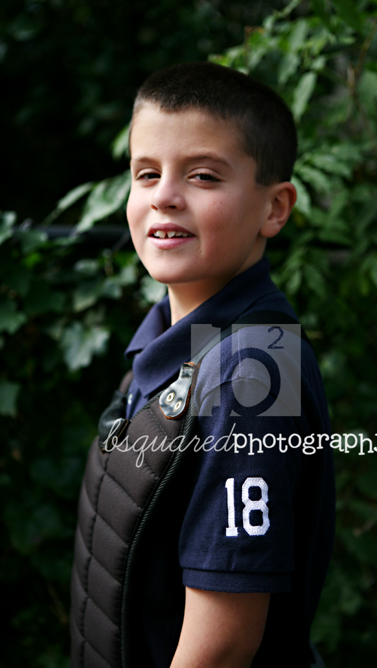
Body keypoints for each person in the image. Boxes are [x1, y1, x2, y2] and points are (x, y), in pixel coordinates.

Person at [70, 62, 334, 668]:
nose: (164, 195)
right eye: (147, 173)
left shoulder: (253, 372)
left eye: (204, 176)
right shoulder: (172, 343)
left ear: (275, 208)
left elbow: (223, 646)